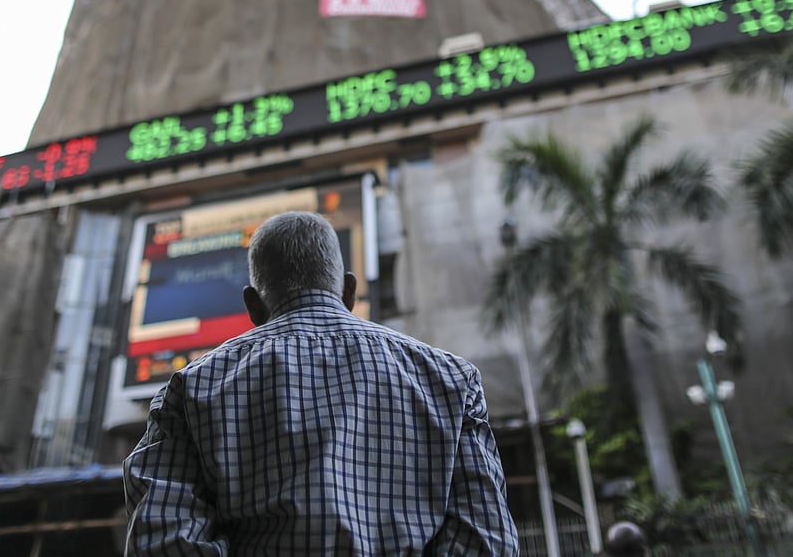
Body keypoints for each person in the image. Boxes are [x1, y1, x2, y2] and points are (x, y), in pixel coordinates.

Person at [124, 211, 519, 555]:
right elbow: (485, 539)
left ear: (252, 304)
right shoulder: (450, 380)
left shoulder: (189, 391)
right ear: (349, 290)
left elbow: (164, 540)